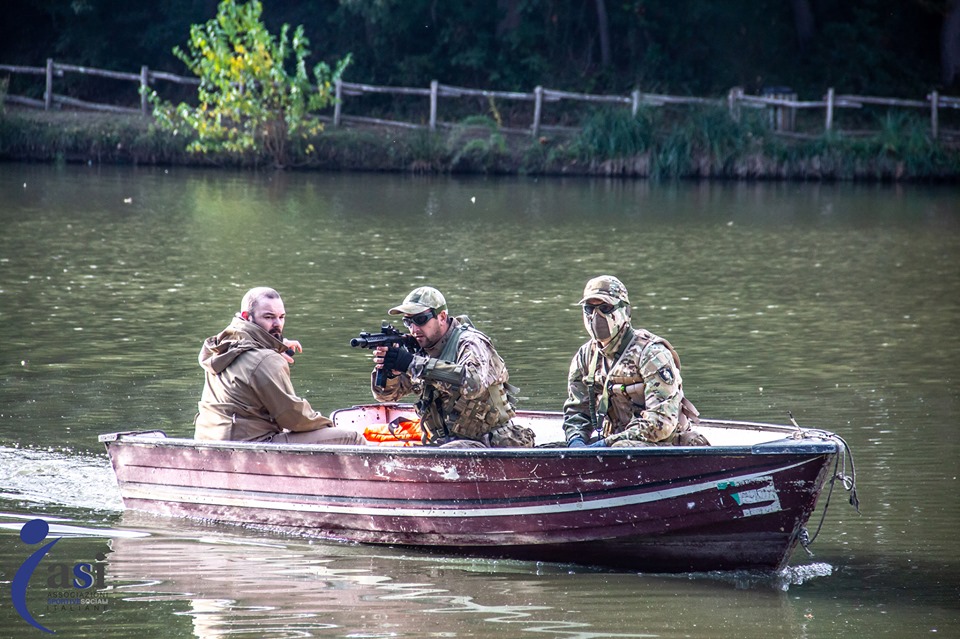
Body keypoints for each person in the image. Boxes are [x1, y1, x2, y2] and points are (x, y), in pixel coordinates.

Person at [194, 287, 365, 445]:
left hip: (209, 440)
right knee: (351, 439)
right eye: (268, 317)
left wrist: (274, 346)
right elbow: (294, 417)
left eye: (281, 317)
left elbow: (250, 347)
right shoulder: (265, 360)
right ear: (247, 317)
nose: (277, 324)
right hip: (250, 447)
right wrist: (329, 426)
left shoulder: (223, 347)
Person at [370, 286, 535, 448]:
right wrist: (391, 373)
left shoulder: (470, 342)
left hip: (489, 443)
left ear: (442, 316)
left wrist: (412, 364)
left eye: (420, 320)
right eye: (408, 321)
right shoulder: (420, 349)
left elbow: (473, 384)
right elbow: (386, 396)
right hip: (444, 444)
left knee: (447, 453)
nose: (414, 329)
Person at [563, 275, 708, 448]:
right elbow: (577, 411)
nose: (596, 316)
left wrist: (606, 444)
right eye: (589, 308)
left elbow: (661, 422)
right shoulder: (585, 356)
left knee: (619, 448)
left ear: (626, 311)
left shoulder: (651, 354)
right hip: (613, 445)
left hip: (664, 445)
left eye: (605, 308)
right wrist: (576, 442)